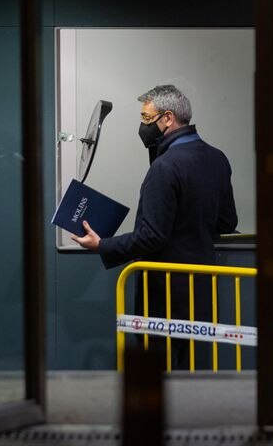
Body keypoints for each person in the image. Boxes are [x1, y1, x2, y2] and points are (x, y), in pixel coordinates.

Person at [71, 84, 238, 369]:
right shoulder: (217, 158)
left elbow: (151, 236)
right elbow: (227, 221)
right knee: (195, 371)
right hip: (202, 288)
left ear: (168, 118)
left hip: (164, 293)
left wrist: (102, 245)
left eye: (146, 118)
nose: (142, 126)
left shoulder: (164, 167)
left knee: (156, 372)